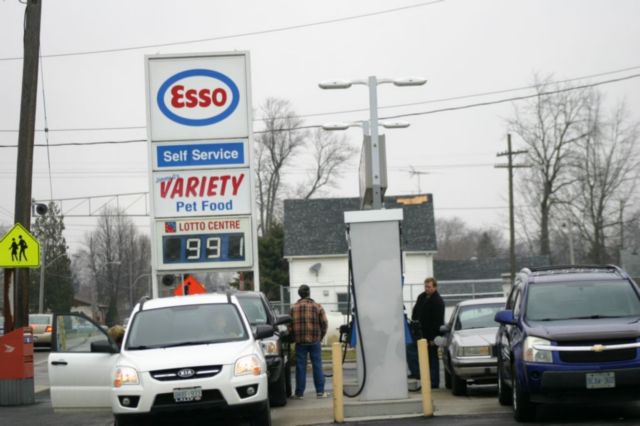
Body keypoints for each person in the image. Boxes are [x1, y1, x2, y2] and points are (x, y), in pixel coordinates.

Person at [289, 284, 329, 399]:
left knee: (300, 367)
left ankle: (299, 393)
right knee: (317, 365)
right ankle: (320, 392)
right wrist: (320, 337)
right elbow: (325, 323)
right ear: (309, 293)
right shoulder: (317, 307)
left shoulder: (293, 308)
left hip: (300, 342)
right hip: (315, 341)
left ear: (299, 294)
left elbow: (289, 326)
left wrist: (293, 338)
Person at [411, 277, 445, 388]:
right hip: (420, 334)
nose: (427, 289)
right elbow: (415, 312)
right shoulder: (421, 297)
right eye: (425, 287)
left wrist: (433, 338)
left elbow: (438, 321)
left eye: (429, 287)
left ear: (435, 287)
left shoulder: (438, 301)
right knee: (420, 358)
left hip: (431, 336)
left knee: (432, 359)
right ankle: (423, 379)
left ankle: (434, 382)